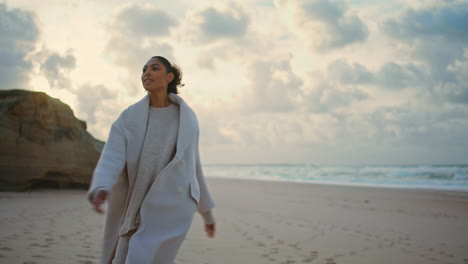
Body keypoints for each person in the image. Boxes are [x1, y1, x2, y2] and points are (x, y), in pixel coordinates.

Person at [87, 56, 216, 264]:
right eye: (144, 69)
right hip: (136, 205)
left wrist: (207, 214)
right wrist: (102, 184)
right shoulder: (129, 117)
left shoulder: (187, 118)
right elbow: (112, 155)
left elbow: (194, 168)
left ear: (169, 77)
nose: (146, 73)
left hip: (172, 208)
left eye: (154, 68)